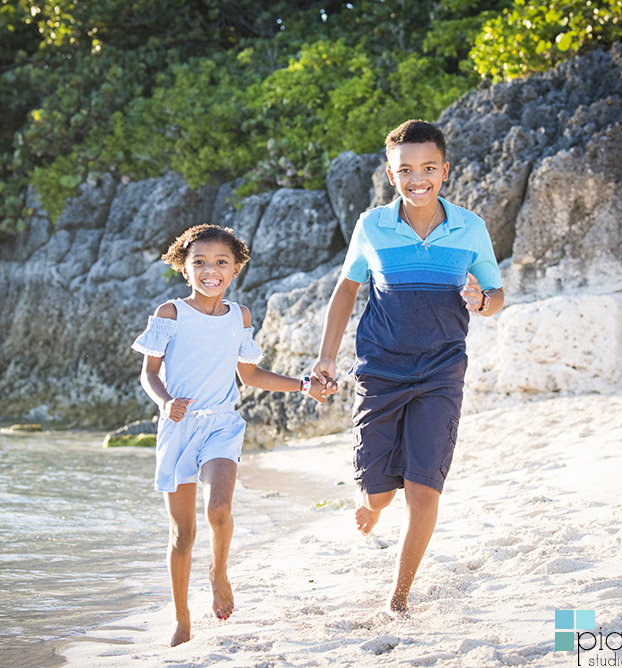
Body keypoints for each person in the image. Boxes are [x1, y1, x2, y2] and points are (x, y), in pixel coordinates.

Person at [311, 119, 505, 616]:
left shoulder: (471, 228)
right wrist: (327, 357)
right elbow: (347, 289)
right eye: (406, 170)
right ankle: (373, 505)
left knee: (424, 488)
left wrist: (481, 300)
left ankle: (398, 598)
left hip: (442, 370)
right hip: (380, 368)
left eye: (428, 168)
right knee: (377, 488)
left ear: (444, 170)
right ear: (391, 174)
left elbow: (496, 295)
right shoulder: (372, 225)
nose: (418, 178)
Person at [132, 224, 334, 647]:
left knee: (219, 509)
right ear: (184, 269)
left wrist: (303, 384)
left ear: (236, 268)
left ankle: (219, 572)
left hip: (222, 424)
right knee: (182, 536)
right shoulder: (169, 313)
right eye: (199, 262)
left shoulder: (239, 316)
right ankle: (182, 618)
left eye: (221, 262)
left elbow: (251, 374)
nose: (210, 270)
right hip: (177, 427)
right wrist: (165, 401)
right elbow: (149, 374)